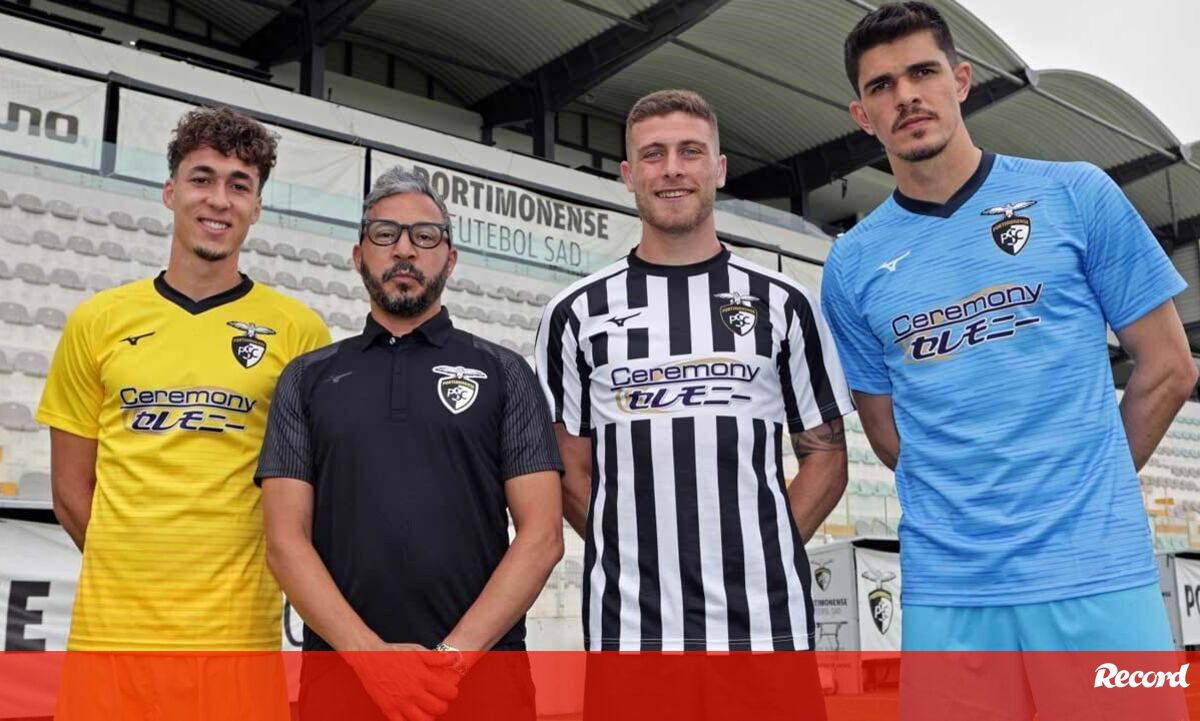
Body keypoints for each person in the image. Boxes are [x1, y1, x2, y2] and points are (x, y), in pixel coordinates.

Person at [823, 2, 1196, 717]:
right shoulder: (852, 263)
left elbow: (1170, 368)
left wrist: (1080, 491)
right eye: (882, 86)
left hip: (1097, 572)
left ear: (961, 80)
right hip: (951, 591)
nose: (907, 96)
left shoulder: (1076, 194)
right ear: (862, 114)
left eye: (923, 72)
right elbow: (886, 431)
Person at [536, 89, 851, 718]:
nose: (672, 169)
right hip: (632, 631)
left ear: (719, 168)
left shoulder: (784, 303)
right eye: (653, 155)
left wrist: (762, 548)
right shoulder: (574, 313)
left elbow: (826, 456)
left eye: (690, 151)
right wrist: (631, 548)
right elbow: (568, 470)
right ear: (628, 174)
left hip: (765, 627)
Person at [37, 106, 330, 717]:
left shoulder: (299, 332)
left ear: (257, 207)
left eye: (239, 185)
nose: (218, 200)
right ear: (171, 191)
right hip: (111, 642)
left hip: (237, 645)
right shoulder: (97, 322)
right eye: (202, 179)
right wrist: (136, 578)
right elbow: (69, 492)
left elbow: (305, 498)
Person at [256, 166, 564, 721]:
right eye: (385, 234)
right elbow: (284, 540)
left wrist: (448, 661)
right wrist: (371, 659)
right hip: (344, 678)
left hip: (481, 680)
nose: (404, 249)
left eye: (425, 236)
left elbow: (541, 537)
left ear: (450, 258)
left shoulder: (506, 373)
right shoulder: (305, 379)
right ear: (358, 255)